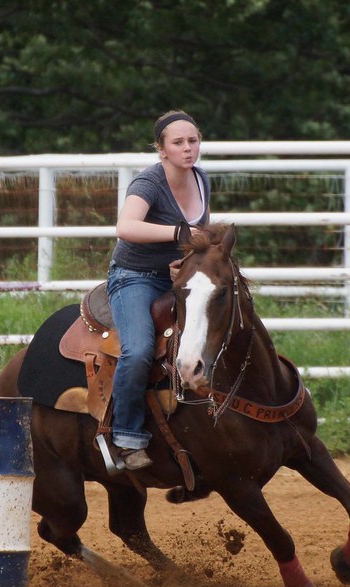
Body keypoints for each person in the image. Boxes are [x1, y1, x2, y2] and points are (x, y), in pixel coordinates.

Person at [106, 110, 210, 470]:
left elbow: (198, 239)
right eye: (178, 143)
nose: (187, 148)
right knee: (138, 351)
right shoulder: (148, 183)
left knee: (221, 329)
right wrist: (178, 234)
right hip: (133, 276)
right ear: (161, 150)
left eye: (192, 141)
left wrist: (187, 260)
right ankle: (125, 437)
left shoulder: (201, 180)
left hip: (175, 277)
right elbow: (126, 226)